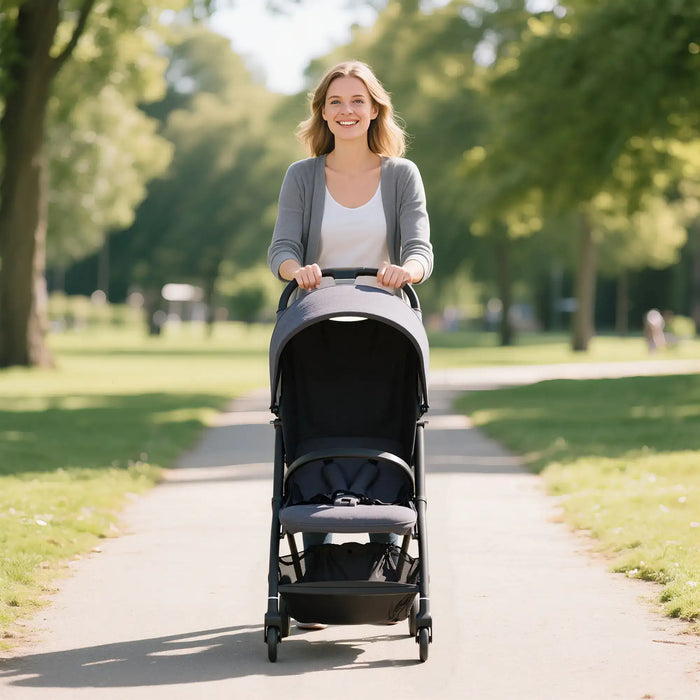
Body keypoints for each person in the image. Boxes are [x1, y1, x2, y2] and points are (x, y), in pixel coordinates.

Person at [268, 62, 433, 626]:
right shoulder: (302, 176)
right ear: (322, 111)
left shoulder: (402, 174)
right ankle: (314, 569)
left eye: (356, 100)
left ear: (375, 108)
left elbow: (420, 249)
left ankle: (382, 560)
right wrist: (300, 270)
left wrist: (405, 272)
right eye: (335, 101)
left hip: (385, 331)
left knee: (385, 428)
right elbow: (281, 249)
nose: (346, 110)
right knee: (312, 428)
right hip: (314, 328)